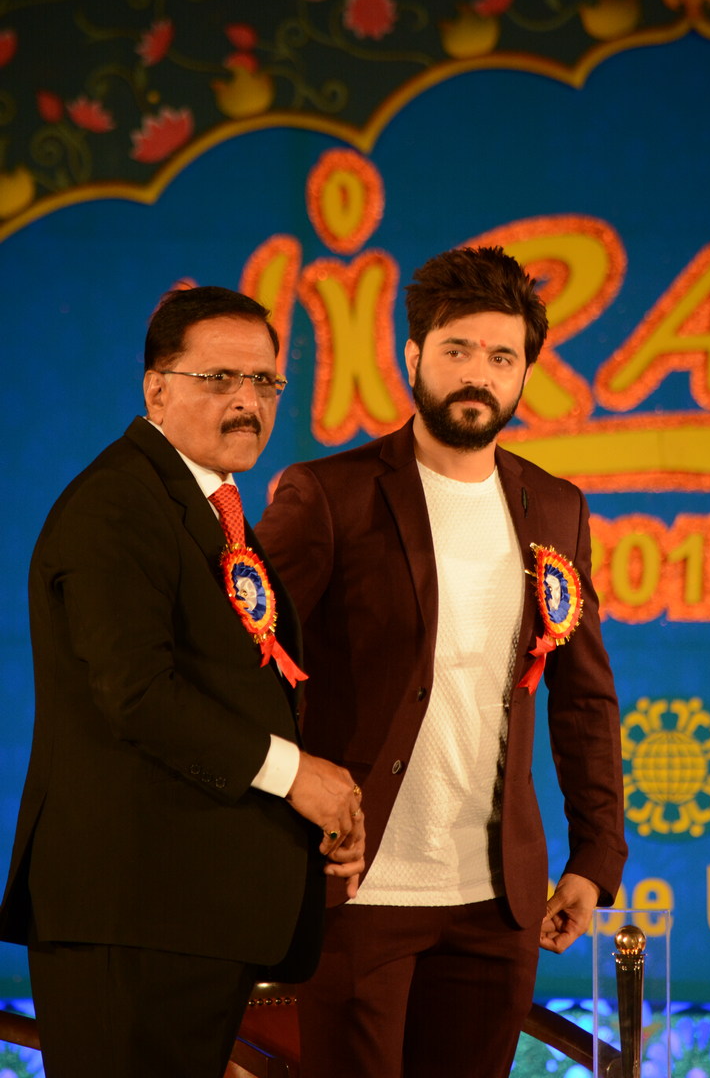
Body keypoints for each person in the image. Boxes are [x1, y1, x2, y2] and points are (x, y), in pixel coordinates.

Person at [256, 247, 627, 1078]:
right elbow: (244, 663)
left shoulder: (555, 507)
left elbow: (583, 699)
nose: (478, 374)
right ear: (414, 355)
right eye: (457, 350)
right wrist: (290, 790)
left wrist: (594, 857)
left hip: (497, 905)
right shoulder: (328, 495)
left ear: (524, 374)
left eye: (501, 358)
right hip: (359, 893)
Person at [0, 286, 365, 1078]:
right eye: (219, 379)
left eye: (264, 382)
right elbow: (137, 693)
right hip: (131, 916)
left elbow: (230, 690)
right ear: (156, 389)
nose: (247, 403)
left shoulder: (211, 508)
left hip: (193, 916)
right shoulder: (117, 503)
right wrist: (296, 775)